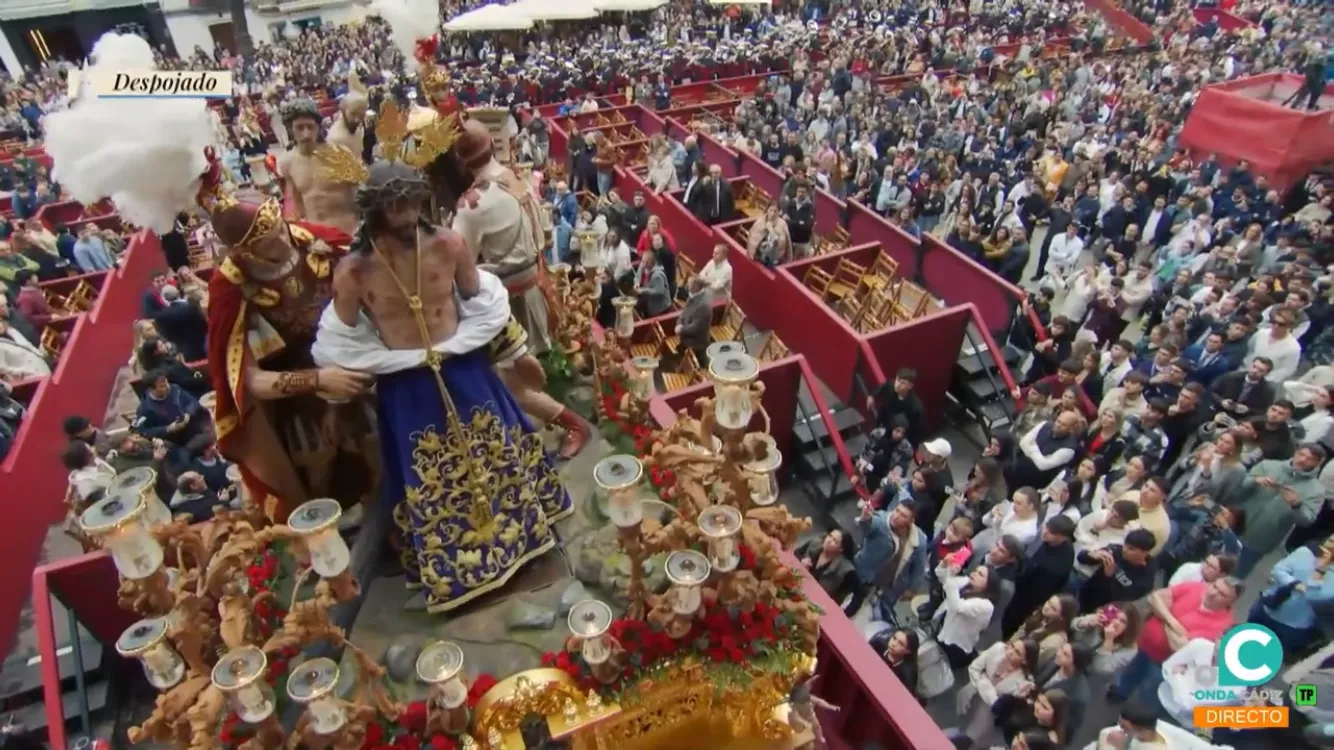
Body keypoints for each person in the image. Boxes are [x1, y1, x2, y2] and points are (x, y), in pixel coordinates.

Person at [318, 157, 572, 614]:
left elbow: (484, 304)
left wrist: (517, 352)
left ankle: (522, 545)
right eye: (394, 204)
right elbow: (342, 337)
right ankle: (457, 571)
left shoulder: (450, 245)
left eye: (412, 200)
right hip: (407, 385)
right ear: (374, 207)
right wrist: (338, 401)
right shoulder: (354, 271)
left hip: (463, 369)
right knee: (428, 480)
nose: (407, 212)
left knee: (497, 457)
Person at [450, 118, 590, 458]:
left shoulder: (473, 204)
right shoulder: (516, 177)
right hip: (537, 284)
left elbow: (458, 262)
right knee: (524, 371)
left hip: (509, 301)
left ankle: (573, 425)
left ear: (461, 161)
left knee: (510, 381)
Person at [1109, 576, 1239, 705]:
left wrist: (1162, 613)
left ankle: (1131, 719)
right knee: (1130, 672)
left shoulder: (1221, 625)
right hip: (1144, 645)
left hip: (1164, 664)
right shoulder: (1195, 587)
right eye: (1214, 586)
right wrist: (1174, 623)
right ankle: (1121, 692)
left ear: (1230, 602)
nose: (1212, 592)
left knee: (1147, 696)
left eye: (1221, 594)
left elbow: (1179, 645)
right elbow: (1154, 597)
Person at [1232, 443, 1327, 576]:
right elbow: (1237, 488)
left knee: (1233, 578)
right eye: (1301, 454)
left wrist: (1296, 505)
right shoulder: (1268, 465)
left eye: (1310, 458)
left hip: (1260, 540)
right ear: (1295, 452)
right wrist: (1254, 481)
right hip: (1233, 524)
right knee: (1206, 566)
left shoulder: (1316, 491)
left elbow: (1307, 520)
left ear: (1317, 463)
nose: (1303, 460)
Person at [275, 96, 360, 235]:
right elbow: (298, 207)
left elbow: (360, 196)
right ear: (290, 130)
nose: (306, 134)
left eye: (310, 127)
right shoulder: (286, 163)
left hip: (347, 233)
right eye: (299, 127)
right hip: (316, 238)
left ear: (318, 127)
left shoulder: (340, 155)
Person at [1250, 535, 1334, 652]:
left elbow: (1314, 596)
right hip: (1268, 608)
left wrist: (1321, 569)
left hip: (1292, 626)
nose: (1330, 544)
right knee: (1241, 641)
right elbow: (1278, 569)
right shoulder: (1305, 552)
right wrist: (1294, 583)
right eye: (1330, 540)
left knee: (1265, 657)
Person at [848, 500, 926, 620]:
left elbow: (919, 567)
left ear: (911, 521)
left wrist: (912, 589)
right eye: (897, 511)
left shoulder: (919, 540)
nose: (896, 516)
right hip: (864, 572)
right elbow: (868, 526)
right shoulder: (881, 520)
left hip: (890, 584)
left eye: (903, 515)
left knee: (876, 615)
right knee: (852, 603)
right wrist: (865, 518)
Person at [1002, 517, 1077, 639]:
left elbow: (1036, 592)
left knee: (1011, 626)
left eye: (1052, 532)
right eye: (1047, 527)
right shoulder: (1049, 542)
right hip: (1025, 583)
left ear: (1063, 537)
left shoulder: (1055, 567)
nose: (1045, 532)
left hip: (1028, 600)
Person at [1076, 529, 1158, 613]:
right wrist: (1091, 555)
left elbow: (1120, 601)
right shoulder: (1116, 551)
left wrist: (1108, 576)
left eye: (1131, 549)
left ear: (1145, 552)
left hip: (1101, 610)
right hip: (1084, 593)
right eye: (1125, 545)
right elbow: (1081, 558)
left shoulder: (1145, 581)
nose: (1124, 550)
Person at [796, 529, 855, 602]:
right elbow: (797, 552)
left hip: (812, 600)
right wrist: (801, 560)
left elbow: (838, 598)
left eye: (834, 541)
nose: (829, 540)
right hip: (795, 584)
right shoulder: (815, 543)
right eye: (830, 536)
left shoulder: (844, 569)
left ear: (840, 549)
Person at [676, 276, 712, 366]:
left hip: (697, 343)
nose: (686, 286)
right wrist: (679, 323)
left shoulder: (704, 305)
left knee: (699, 366)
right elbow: (683, 313)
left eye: (688, 284)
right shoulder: (692, 297)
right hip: (686, 338)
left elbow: (696, 328)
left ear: (695, 287)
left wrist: (681, 329)